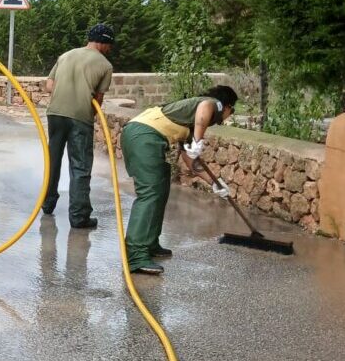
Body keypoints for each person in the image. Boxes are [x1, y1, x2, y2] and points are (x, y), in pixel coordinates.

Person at [120, 85, 238, 275]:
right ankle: (136, 256)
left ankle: (150, 244)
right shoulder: (210, 104)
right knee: (150, 195)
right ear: (227, 106)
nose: (228, 116)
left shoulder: (187, 119)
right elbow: (206, 107)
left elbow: (191, 162)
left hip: (144, 137)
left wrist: (216, 183)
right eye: (231, 111)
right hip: (143, 137)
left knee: (160, 191)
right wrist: (198, 141)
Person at [42, 23, 115, 228]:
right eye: (110, 45)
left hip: (55, 114)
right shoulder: (105, 65)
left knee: (53, 161)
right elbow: (98, 100)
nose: (110, 49)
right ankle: (79, 216)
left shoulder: (66, 55)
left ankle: (47, 205)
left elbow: (49, 85)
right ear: (105, 42)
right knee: (80, 167)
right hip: (80, 117)